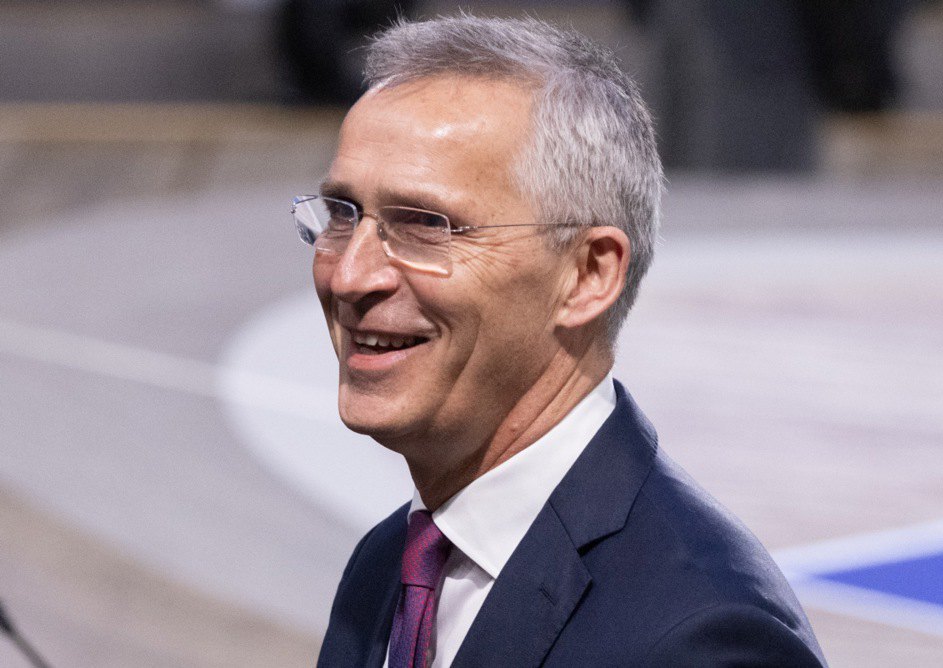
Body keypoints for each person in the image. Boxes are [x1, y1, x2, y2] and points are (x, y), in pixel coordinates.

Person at [294, 15, 827, 668]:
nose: (351, 276)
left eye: (425, 225)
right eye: (343, 215)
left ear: (588, 274)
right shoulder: (389, 566)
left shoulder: (703, 637)